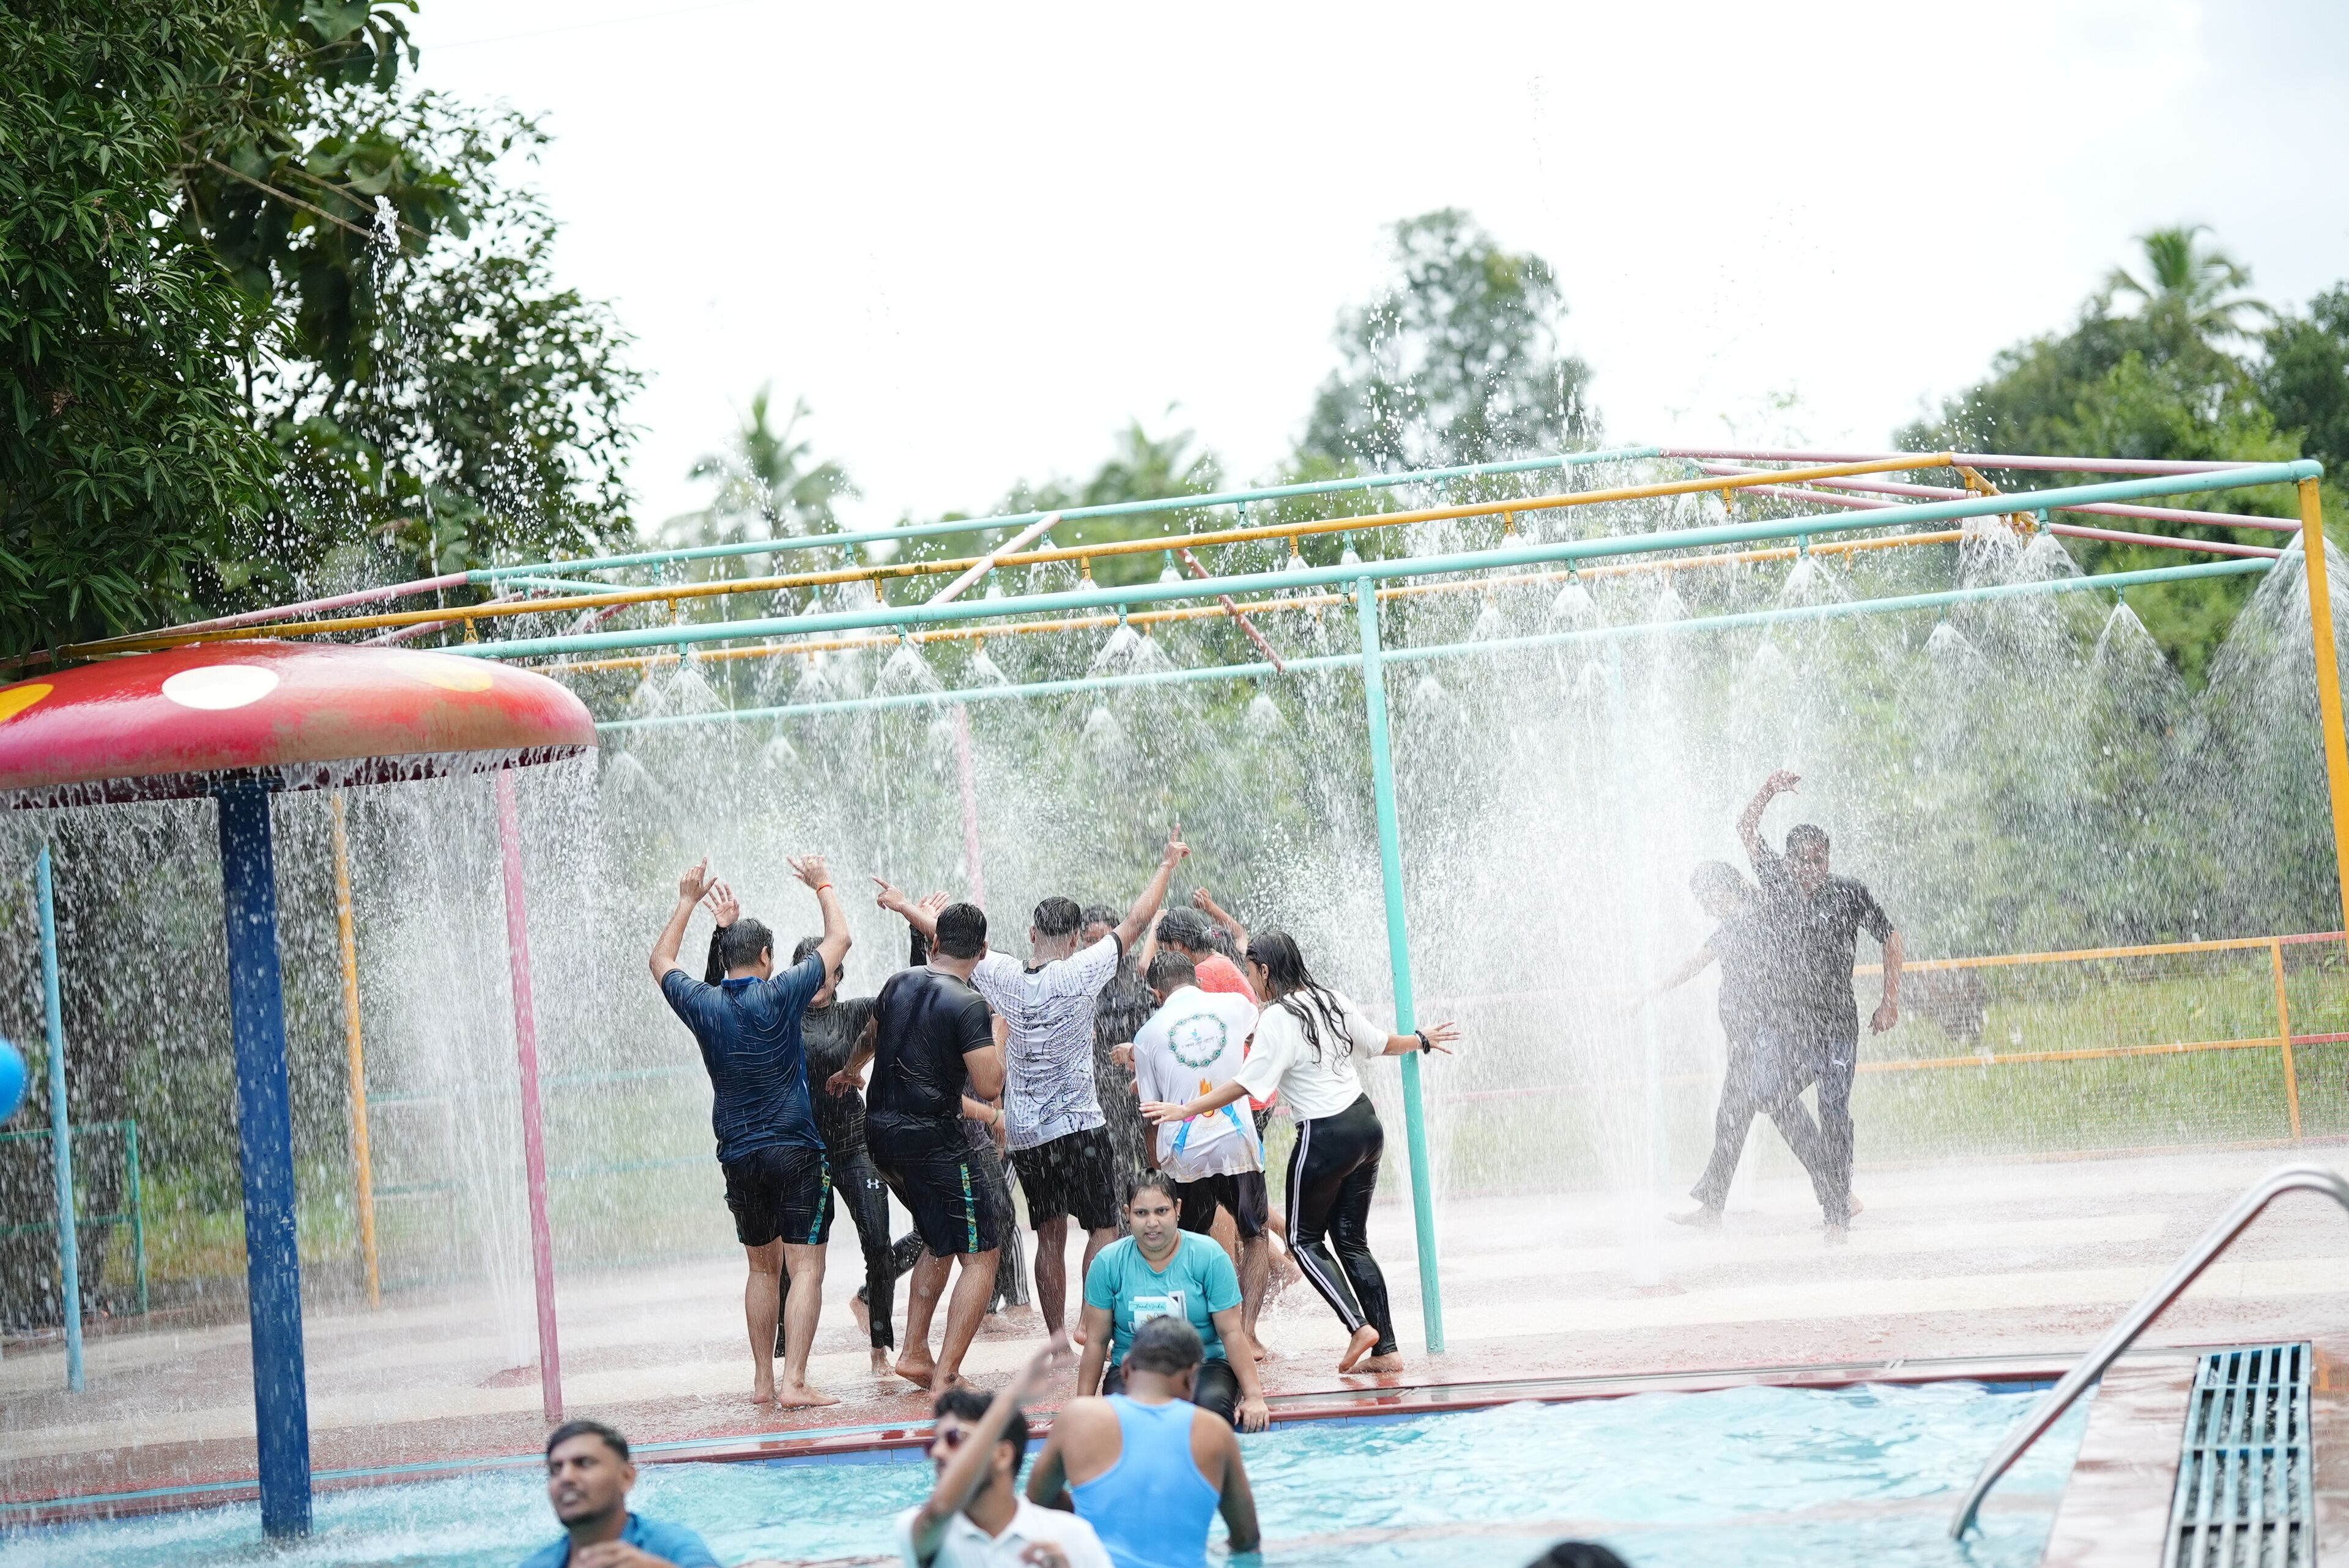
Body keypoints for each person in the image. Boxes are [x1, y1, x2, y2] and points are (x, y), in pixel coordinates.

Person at [895, 829, 1190, 1337]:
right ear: (1076, 938)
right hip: (1081, 1124)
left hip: (1029, 1134)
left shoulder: (1003, 974)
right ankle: (1087, 1321)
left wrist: (906, 908)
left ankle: (1056, 1339)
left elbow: (956, 946)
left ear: (1032, 933)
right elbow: (1138, 921)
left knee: (1048, 1237)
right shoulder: (1083, 970)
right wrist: (1166, 865)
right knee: (1102, 1225)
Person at [1146, 932, 1459, 1375]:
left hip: (1323, 1134)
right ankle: (1386, 1348)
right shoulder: (1330, 999)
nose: (1251, 983)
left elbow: (1246, 1084)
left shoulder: (1276, 1017)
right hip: (1365, 1127)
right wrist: (1419, 1040)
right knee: (1350, 1240)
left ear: (1266, 971)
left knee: (1302, 1240)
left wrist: (1188, 1107)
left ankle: (1358, 1327)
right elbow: (1379, 1043)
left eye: (1252, 972)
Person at [705, 887, 948, 1374]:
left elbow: (909, 995)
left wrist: (916, 930)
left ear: (837, 976)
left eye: (829, 972)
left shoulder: (856, 1012)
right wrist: (723, 937)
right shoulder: (778, 1014)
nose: (820, 980)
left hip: (852, 1143)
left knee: (879, 1241)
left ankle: (880, 1344)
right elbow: (718, 995)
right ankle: (784, 1352)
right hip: (799, 1147)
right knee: (787, 1260)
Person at [650, 857, 847, 1408]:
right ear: (765, 957)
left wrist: (689, 901)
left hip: (738, 1155)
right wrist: (822, 884)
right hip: (795, 1148)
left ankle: (763, 1381)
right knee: (805, 1265)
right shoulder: (782, 992)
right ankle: (796, 1383)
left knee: (762, 1269)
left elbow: (660, 960)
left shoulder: (704, 1004)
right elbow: (840, 937)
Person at [839, 898, 1008, 1393]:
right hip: (932, 1140)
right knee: (983, 1253)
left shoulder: (899, 981)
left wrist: (852, 1070)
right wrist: (998, 1035)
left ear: (934, 943)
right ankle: (948, 1376)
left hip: (880, 1136)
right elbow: (990, 1084)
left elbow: (870, 1034)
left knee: (939, 1238)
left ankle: (914, 1355)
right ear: (982, 951)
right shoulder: (970, 1004)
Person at [1738, 770, 1904, 1242]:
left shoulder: (1849, 893)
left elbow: (1892, 939)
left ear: (1828, 859)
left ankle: (1837, 1210)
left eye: (1820, 859)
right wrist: (1767, 789)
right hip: (1788, 1026)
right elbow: (1746, 831)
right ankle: (1827, 1176)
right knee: (1769, 1094)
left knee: (1833, 1108)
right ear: (1788, 863)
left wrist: (1889, 1001)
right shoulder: (1776, 885)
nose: (1813, 867)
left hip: (1836, 1027)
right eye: (1804, 860)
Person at [1650, 862, 1838, 1230]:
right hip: (1755, 1042)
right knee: (1757, 1118)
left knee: (1758, 1118)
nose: (1704, 908)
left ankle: (1838, 1194)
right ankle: (1836, 1193)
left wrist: (1653, 992)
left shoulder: (1744, 921)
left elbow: (1696, 963)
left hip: (1762, 1042)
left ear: (1722, 891)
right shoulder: (1753, 915)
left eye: (1705, 899)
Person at [1124, 950, 1274, 1345]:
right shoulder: (1234, 1005)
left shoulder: (1147, 1035)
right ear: (1198, 980)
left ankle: (1186, 1334)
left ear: (1156, 992)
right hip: (1237, 1141)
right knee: (1255, 1235)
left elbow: (1152, 1116)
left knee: (1181, 1242)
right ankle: (1247, 1335)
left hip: (1184, 1153)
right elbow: (1260, 1031)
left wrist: (1155, 1172)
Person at [1029, 1315, 1263, 1568]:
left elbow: (1037, 1502)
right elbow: (1246, 1539)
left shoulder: (1078, 1419)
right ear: (1192, 1377)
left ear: (1127, 1367)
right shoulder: (1215, 1433)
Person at [1074, 1172, 1269, 1429]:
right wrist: (1082, 1408)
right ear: (1127, 1213)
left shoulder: (1209, 1257)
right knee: (1128, 1420)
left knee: (1211, 1414)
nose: (1152, 1222)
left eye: (1161, 1211)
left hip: (1205, 1364)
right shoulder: (1107, 1263)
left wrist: (1255, 1397)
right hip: (1134, 1369)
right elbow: (1097, 1342)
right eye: (1141, 1213)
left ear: (1177, 1209)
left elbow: (1232, 1333)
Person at [896, 1334, 1111, 1568]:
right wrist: (1010, 1398)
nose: (937, 1452)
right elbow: (940, 1508)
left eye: (953, 1438)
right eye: (932, 1443)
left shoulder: (1071, 1537)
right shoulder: (925, 1532)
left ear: (1002, 1455)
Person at [524, 1419, 719, 1568]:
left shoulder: (672, 1546)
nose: (566, 1477)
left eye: (584, 1463)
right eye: (555, 1469)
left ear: (626, 1477)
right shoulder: (538, 1564)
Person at [1082, 904, 1157, 1213]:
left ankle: (1160, 1221)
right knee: (1118, 1162)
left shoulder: (1140, 976)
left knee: (1152, 1158)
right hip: (1102, 1087)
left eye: (1105, 938)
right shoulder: (1080, 979)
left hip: (1142, 1083)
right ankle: (1127, 1227)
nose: (1097, 947)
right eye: (1090, 940)